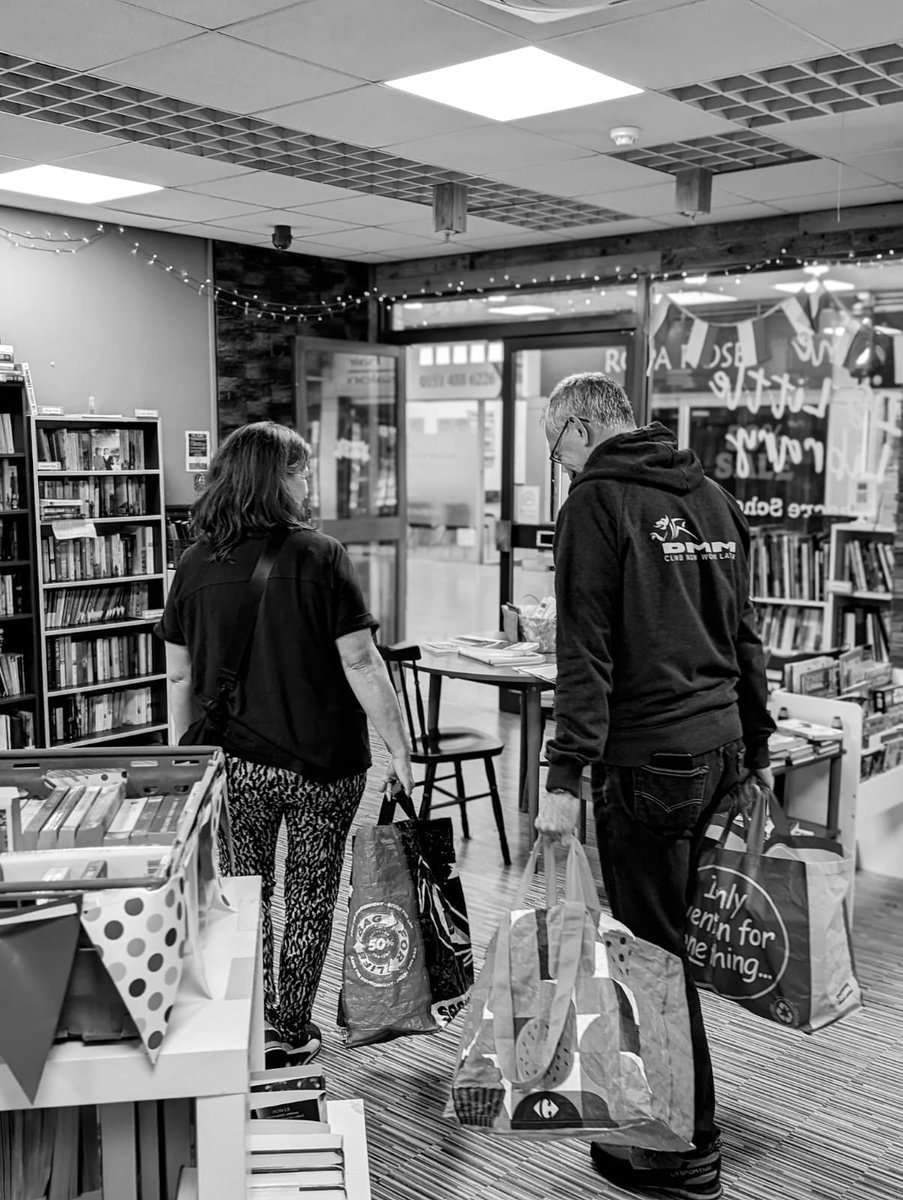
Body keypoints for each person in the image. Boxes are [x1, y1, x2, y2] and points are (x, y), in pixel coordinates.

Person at [535, 374, 775, 1200]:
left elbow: (584, 652)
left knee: (653, 961)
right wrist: (760, 737)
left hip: (648, 764)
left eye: (552, 441)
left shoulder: (595, 505)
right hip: (717, 750)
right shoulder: (709, 495)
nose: (557, 461)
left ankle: (683, 1152)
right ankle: (664, 1130)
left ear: (576, 427)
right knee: (671, 949)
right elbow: (743, 631)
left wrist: (564, 773)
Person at [156, 421, 413, 1067]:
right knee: (309, 896)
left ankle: (251, 1021)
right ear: (279, 478)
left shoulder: (192, 564)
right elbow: (360, 662)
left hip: (237, 765)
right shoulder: (320, 556)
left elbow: (180, 675)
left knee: (248, 895)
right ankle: (289, 1028)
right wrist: (401, 748)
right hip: (325, 766)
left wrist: (183, 762)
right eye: (302, 471)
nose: (308, 484)